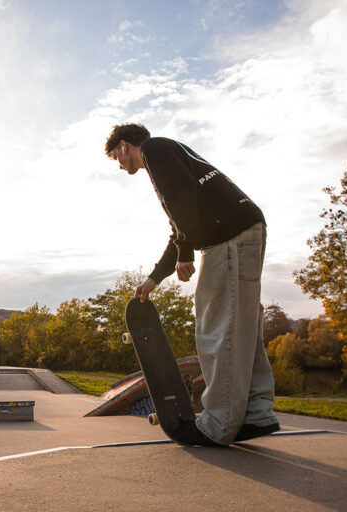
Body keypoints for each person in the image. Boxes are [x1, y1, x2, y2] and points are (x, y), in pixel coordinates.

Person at [105, 123, 279, 446]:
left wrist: (186, 253)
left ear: (125, 145)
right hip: (244, 230)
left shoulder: (154, 150)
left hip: (228, 239)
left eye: (117, 156)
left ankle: (217, 424)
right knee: (241, 326)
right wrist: (155, 278)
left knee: (218, 327)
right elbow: (181, 224)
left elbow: (182, 201)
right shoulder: (170, 153)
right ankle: (256, 414)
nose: (119, 164)